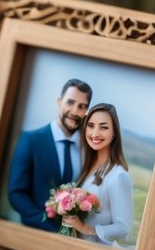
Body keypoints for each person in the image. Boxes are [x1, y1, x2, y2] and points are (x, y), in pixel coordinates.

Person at [8, 79, 92, 231]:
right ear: (59, 102)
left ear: (86, 111)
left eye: (82, 106)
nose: (75, 111)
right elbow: (16, 194)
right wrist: (48, 227)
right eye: (70, 102)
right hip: (34, 232)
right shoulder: (30, 140)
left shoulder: (86, 150)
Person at [60, 103, 134, 246]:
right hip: (74, 246)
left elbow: (123, 228)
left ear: (114, 133)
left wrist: (85, 228)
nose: (95, 133)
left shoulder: (118, 175)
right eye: (91, 126)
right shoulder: (86, 166)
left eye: (104, 127)